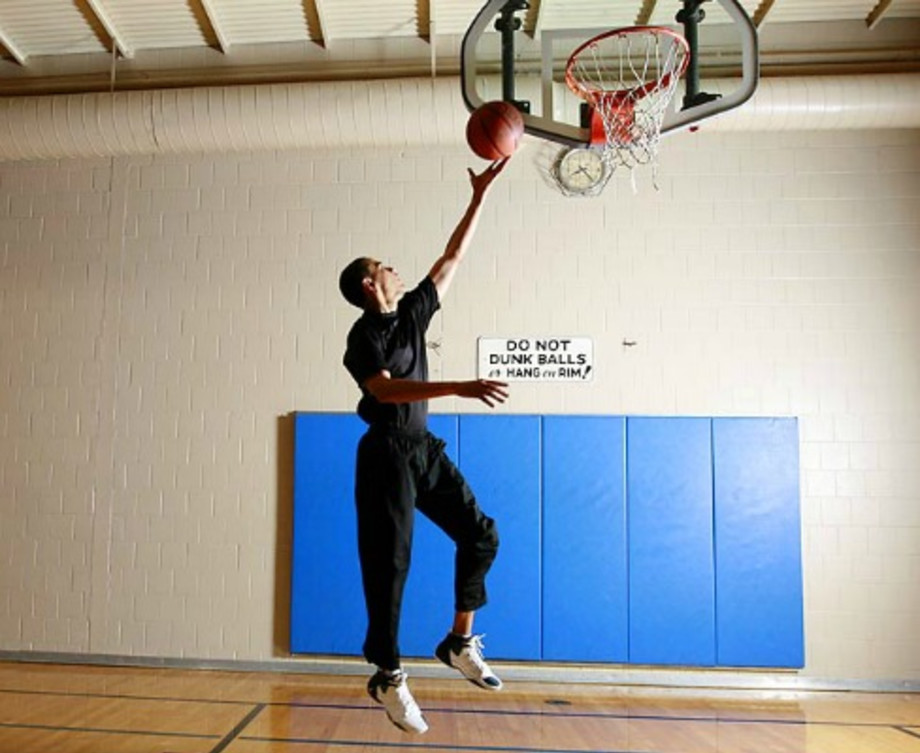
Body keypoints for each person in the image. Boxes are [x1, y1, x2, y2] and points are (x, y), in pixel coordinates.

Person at [338, 158, 511, 734]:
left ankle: (459, 641)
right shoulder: (362, 337)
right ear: (370, 285)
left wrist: (479, 197)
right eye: (384, 266)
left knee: (481, 534)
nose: (395, 268)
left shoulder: (413, 312)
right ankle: (387, 675)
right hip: (385, 453)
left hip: (422, 448)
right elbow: (385, 391)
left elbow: (452, 256)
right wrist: (457, 386)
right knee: (389, 566)